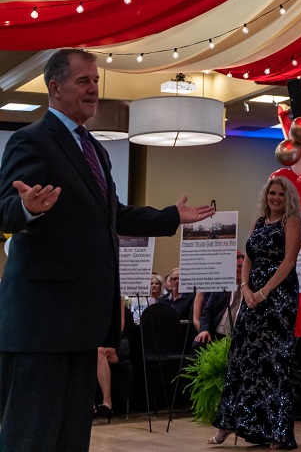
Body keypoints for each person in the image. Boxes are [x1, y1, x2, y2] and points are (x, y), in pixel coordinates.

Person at [0, 47, 215, 452]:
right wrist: (25, 208)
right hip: (42, 322)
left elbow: (113, 213)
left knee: (70, 436)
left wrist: (171, 216)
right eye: (83, 81)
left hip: (82, 323)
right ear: (55, 87)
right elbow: (4, 207)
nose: (93, 89)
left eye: (96, 81)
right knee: (30, 435)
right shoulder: (32, 140)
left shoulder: (95, 149)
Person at [209, 177, 301, 449]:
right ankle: (230, 423)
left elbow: (289, 262)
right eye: (272, 193)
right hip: (251, 299)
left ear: (288, 199)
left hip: (279, 300)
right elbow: (248, 259)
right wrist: (246, 288)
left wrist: (264, 292)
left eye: (280, 195)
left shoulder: (292, 222)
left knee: (273, 364)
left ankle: (277, 430)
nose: (275, 198)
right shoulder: (259, 223)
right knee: (244, 359)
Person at [193, 250, 245, 350]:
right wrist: (204, 330)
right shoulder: (220, 289)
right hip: (216, 334)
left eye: (240, 267)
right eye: (235, 267)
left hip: (239, 335)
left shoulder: (250, 290)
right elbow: (207, 313)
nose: (238, 270)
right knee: (198, 344)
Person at [94, 302, 130, 423]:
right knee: (92, 355)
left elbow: (120, 326)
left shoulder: (116, 295)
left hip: (116, 341)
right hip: (96, 343)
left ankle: (107, 401)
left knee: (99, 352)